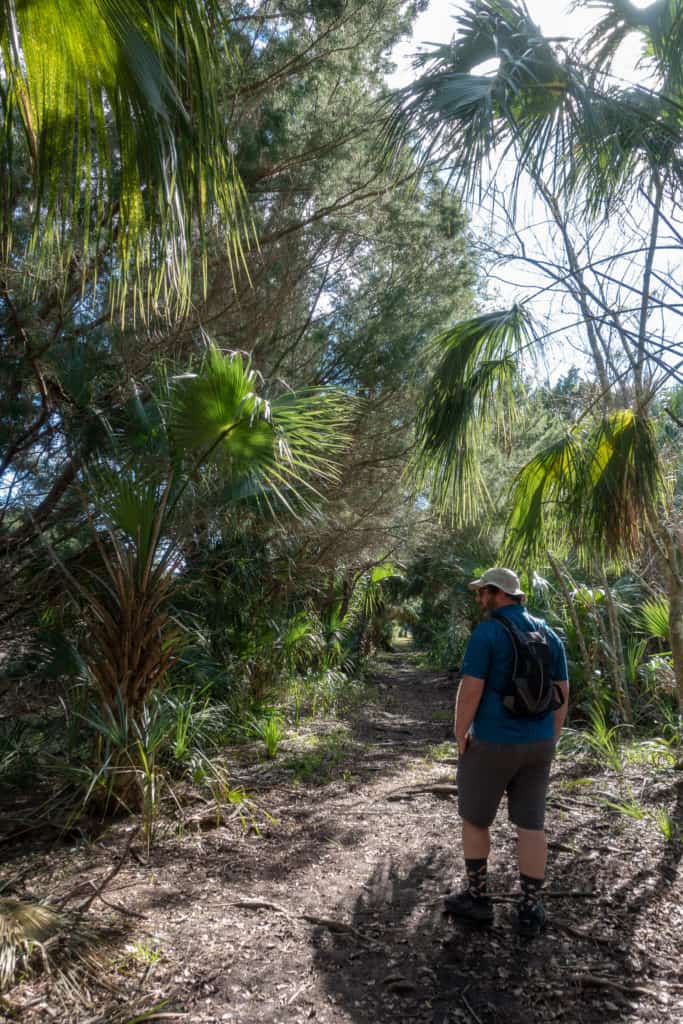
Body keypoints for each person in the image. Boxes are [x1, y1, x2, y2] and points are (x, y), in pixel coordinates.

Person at [446, 567, 569, 937]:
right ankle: (531, 909)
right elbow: (562, 691)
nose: (479, 599)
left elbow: (471, 690)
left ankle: (478, 900)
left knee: (475, 818)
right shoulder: (549, 634)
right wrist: (551, 736)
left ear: (497, 593)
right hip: (539, 742)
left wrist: (460, 733)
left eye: (482, 592)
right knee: (532, 824)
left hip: (495, 741)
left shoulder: (487, 633)